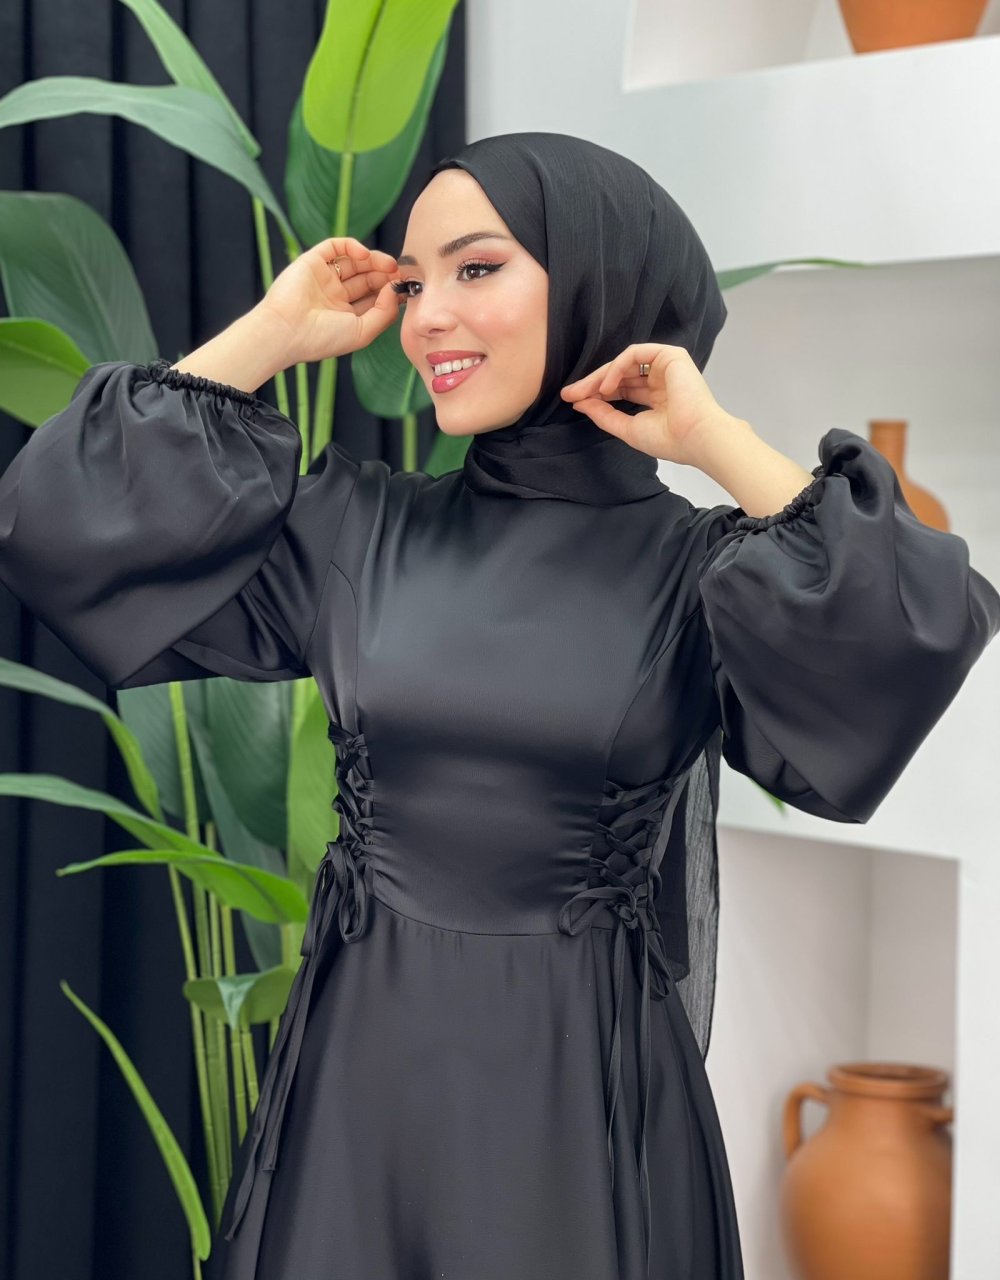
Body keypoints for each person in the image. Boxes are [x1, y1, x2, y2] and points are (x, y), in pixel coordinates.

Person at [1, 131, 998, 1280]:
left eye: (476, 268)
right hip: (361, 1090)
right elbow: (56, 527)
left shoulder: (698, 570)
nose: (428, 316)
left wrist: (712, 438)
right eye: (413, 282)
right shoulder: (355, 527)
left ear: (598, 287)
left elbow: (913, 628)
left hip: (582, 1108)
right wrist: (271, 330)